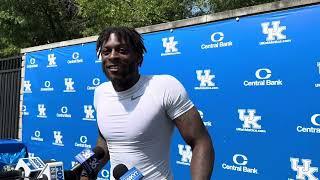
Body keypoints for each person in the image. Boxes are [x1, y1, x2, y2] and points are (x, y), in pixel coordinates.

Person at [83, 27, 214, 180]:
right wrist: (84, 172)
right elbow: (104, 143)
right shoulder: (100, 92)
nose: (112, 56)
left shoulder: (165, 87)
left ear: (139, 57)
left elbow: (200, 141)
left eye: (122, 50)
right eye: (106, 52)